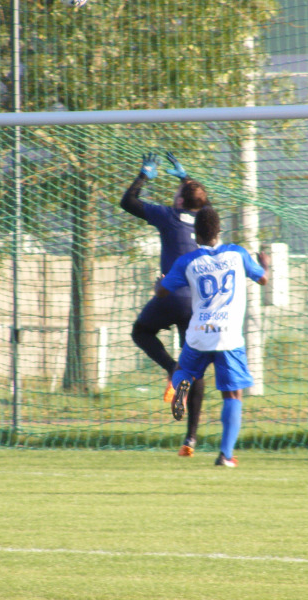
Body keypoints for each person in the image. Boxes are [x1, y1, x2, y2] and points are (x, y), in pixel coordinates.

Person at [156, 206, 269, 467]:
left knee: (186, 370)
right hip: (228, 336)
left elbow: (162, 292)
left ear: (195, 234)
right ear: (219, 231)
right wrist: (265, 265)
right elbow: (263, 279)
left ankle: (181, 385)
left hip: (199, 333)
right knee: (232, 396)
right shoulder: (237, 253)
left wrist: (158, 282)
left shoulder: (188, 260)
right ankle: (225, 455)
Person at [120, 151, 210, 457]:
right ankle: (192, 438)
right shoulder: (205, 220)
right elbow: (206, 204)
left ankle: (173, 368)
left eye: (177, 194)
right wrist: (186, 179)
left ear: (181, 202)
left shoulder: (168, 216)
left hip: (169, 295)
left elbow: (128, 202)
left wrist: (144, 175)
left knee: (140, 332)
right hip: (197, 303)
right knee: (196, 368)